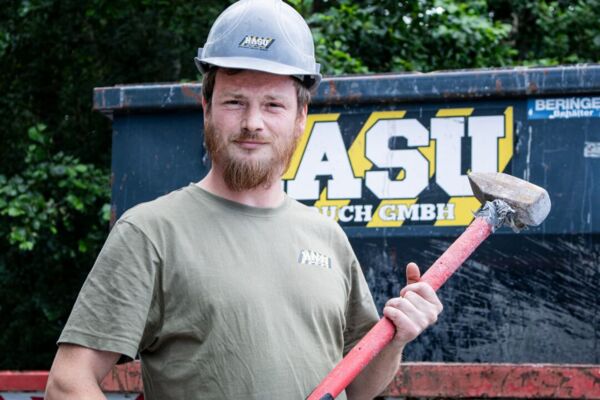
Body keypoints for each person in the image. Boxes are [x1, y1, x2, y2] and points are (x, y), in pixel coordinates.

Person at [45, 0, 442, 399]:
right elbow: (68, 382)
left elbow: (359, 387)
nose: (253, 122)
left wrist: (395, 339)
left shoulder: (327, 238)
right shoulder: (151, 233)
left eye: (273, 105)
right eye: (235, 102)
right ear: (206, 107)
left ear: (301, 116)